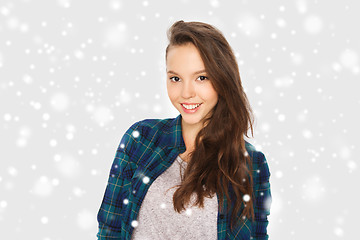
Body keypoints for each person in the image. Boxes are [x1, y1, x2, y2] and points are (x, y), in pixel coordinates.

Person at [96, 20, 271, 240]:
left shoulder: (251, 163)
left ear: (223, 79)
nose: (186, 93)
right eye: (175, 78)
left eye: (201, 78)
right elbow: (109, 227)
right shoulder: (141, 139)